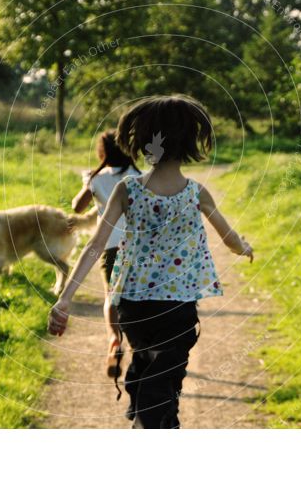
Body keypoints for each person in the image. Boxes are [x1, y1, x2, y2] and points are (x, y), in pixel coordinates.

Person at [48, 95, 254, 428]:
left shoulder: (127, 189)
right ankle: (151, 423)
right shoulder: (196, 192)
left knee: (146, 358)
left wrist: (65, 299)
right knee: (165, 383)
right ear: (189, 142)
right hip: (177, 307)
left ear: (143, 142)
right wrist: (243, 247)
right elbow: (229, 238)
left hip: (134, 306)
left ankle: (141, 404)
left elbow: (96, 244)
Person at [70, 130, 142, 378]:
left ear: (103, 153)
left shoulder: (97, 179)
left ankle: (114, 339)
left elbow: (77, 207)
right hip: (138, 249)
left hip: (109, 247)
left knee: (111, 297)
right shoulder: (139, 176)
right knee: (134, 298)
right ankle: (137, 345)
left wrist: (87, 183)